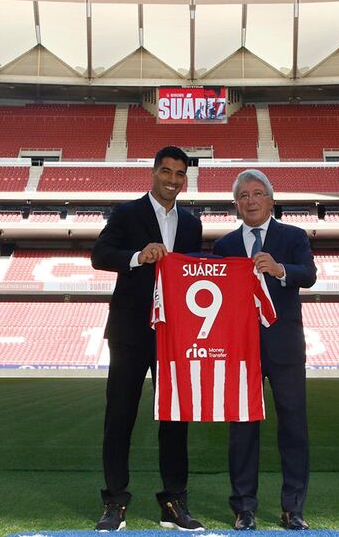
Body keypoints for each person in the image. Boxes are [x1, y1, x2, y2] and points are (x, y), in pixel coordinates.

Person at [91, 146, 204, 532]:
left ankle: (174, 502)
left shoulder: (192, 223)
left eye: (179, 174)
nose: (172, 180)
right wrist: (139, 255)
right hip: (129, 332)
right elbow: (100, 254)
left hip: (175, 333)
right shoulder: (127, 213)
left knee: (176, 418)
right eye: (166, 171)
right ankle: (114, 502)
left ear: (185, 179)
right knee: (119, 416)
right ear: (153, 173)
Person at [212, 169, 317, 531]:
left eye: (258, 193)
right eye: (243, 196)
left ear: (270, 200)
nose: (251, 200)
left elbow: (308, 274)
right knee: (242, 429)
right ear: (236, 205)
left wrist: (279, 269)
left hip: (285, 347)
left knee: (293, 427)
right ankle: (243, 508)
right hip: (240, 350)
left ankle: (293, 508)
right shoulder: (223, 246)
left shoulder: (294, 236)